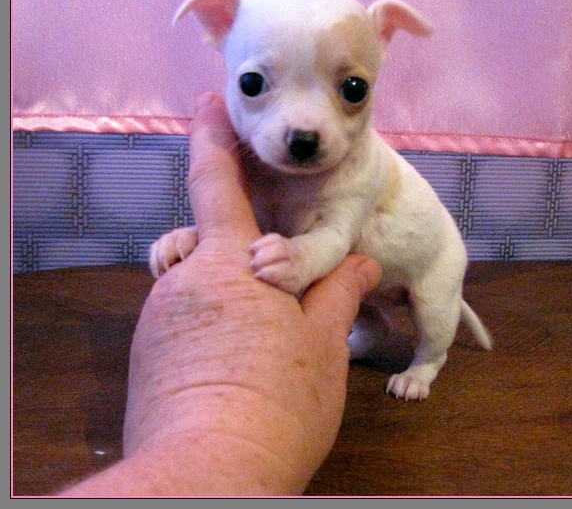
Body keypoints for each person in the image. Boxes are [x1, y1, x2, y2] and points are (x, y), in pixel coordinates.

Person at [61, 92, 382, 497]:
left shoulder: (364, 167)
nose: (301, 128)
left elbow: (329, 236)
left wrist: (226, 438)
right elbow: (255, 233)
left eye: (350, 89)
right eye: (255, 85)